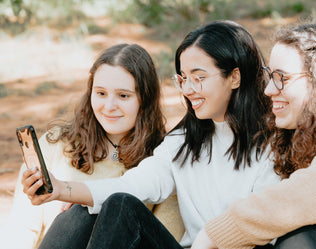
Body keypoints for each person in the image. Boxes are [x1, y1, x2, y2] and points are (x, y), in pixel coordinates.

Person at [21, 20, 281, 249]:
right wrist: (60, 189)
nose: (188, 89)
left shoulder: (272, 144)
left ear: (234, 77)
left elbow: (262, 227)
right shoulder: (183, 142)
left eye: (198, 78)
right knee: (113, 205)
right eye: (183, 78)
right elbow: (131, 187)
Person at [192, 19, 316, 249]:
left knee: (302, 238)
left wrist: (210, 235)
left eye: (282, 79)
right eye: (270, 76)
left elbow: (297, 197)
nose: (269, 90)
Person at [0, 43, 185, 249]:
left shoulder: (161, 160)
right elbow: (22, 228)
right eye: (101, 93)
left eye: (123, 95)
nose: (109, 106)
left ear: (145, 100)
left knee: (95, 208)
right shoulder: (56, 144)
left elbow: (162, 237)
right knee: (81, 212)